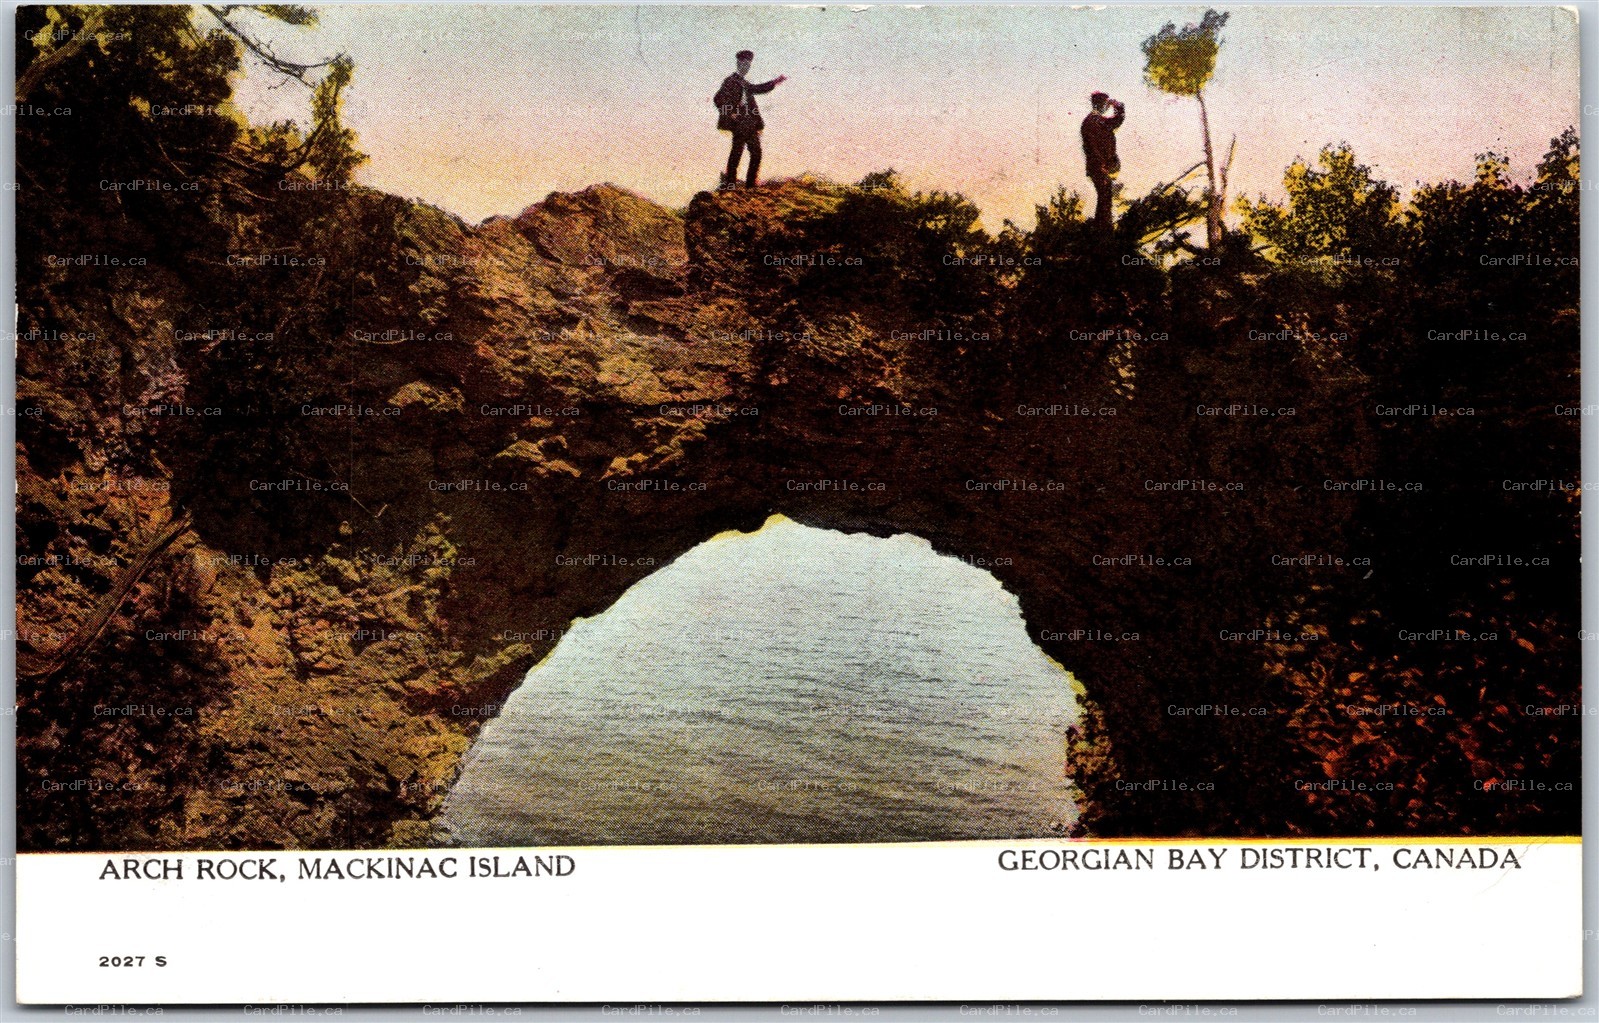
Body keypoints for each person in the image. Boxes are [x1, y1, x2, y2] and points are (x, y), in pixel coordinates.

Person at [714, 50, 786, 188]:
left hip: (750, 123)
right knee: (737, 154)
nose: (746, 67)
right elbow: (718, 99)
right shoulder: (730, 81)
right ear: (738, 64)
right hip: (739, 123)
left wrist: (774, 82)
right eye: (744, 64)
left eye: (748, 65)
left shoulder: (744, 83)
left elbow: (757, 89)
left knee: (756, 153)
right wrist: (730, 112)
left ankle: (751, 184)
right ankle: (730, 184)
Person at [1081, 92, 1125, 232]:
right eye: (1106, 103)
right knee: (1105, 196)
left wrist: (1119, 107)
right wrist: (1101, 165)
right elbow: (1092, 148)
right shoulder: (1092, 121)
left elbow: (1116, 121)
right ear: (1099, 104)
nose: (1107, 106)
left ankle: (1103, 228)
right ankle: (1103, 229)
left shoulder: (1097, 120)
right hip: (1099, 167)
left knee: (1105, 196)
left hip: (1101, 166)